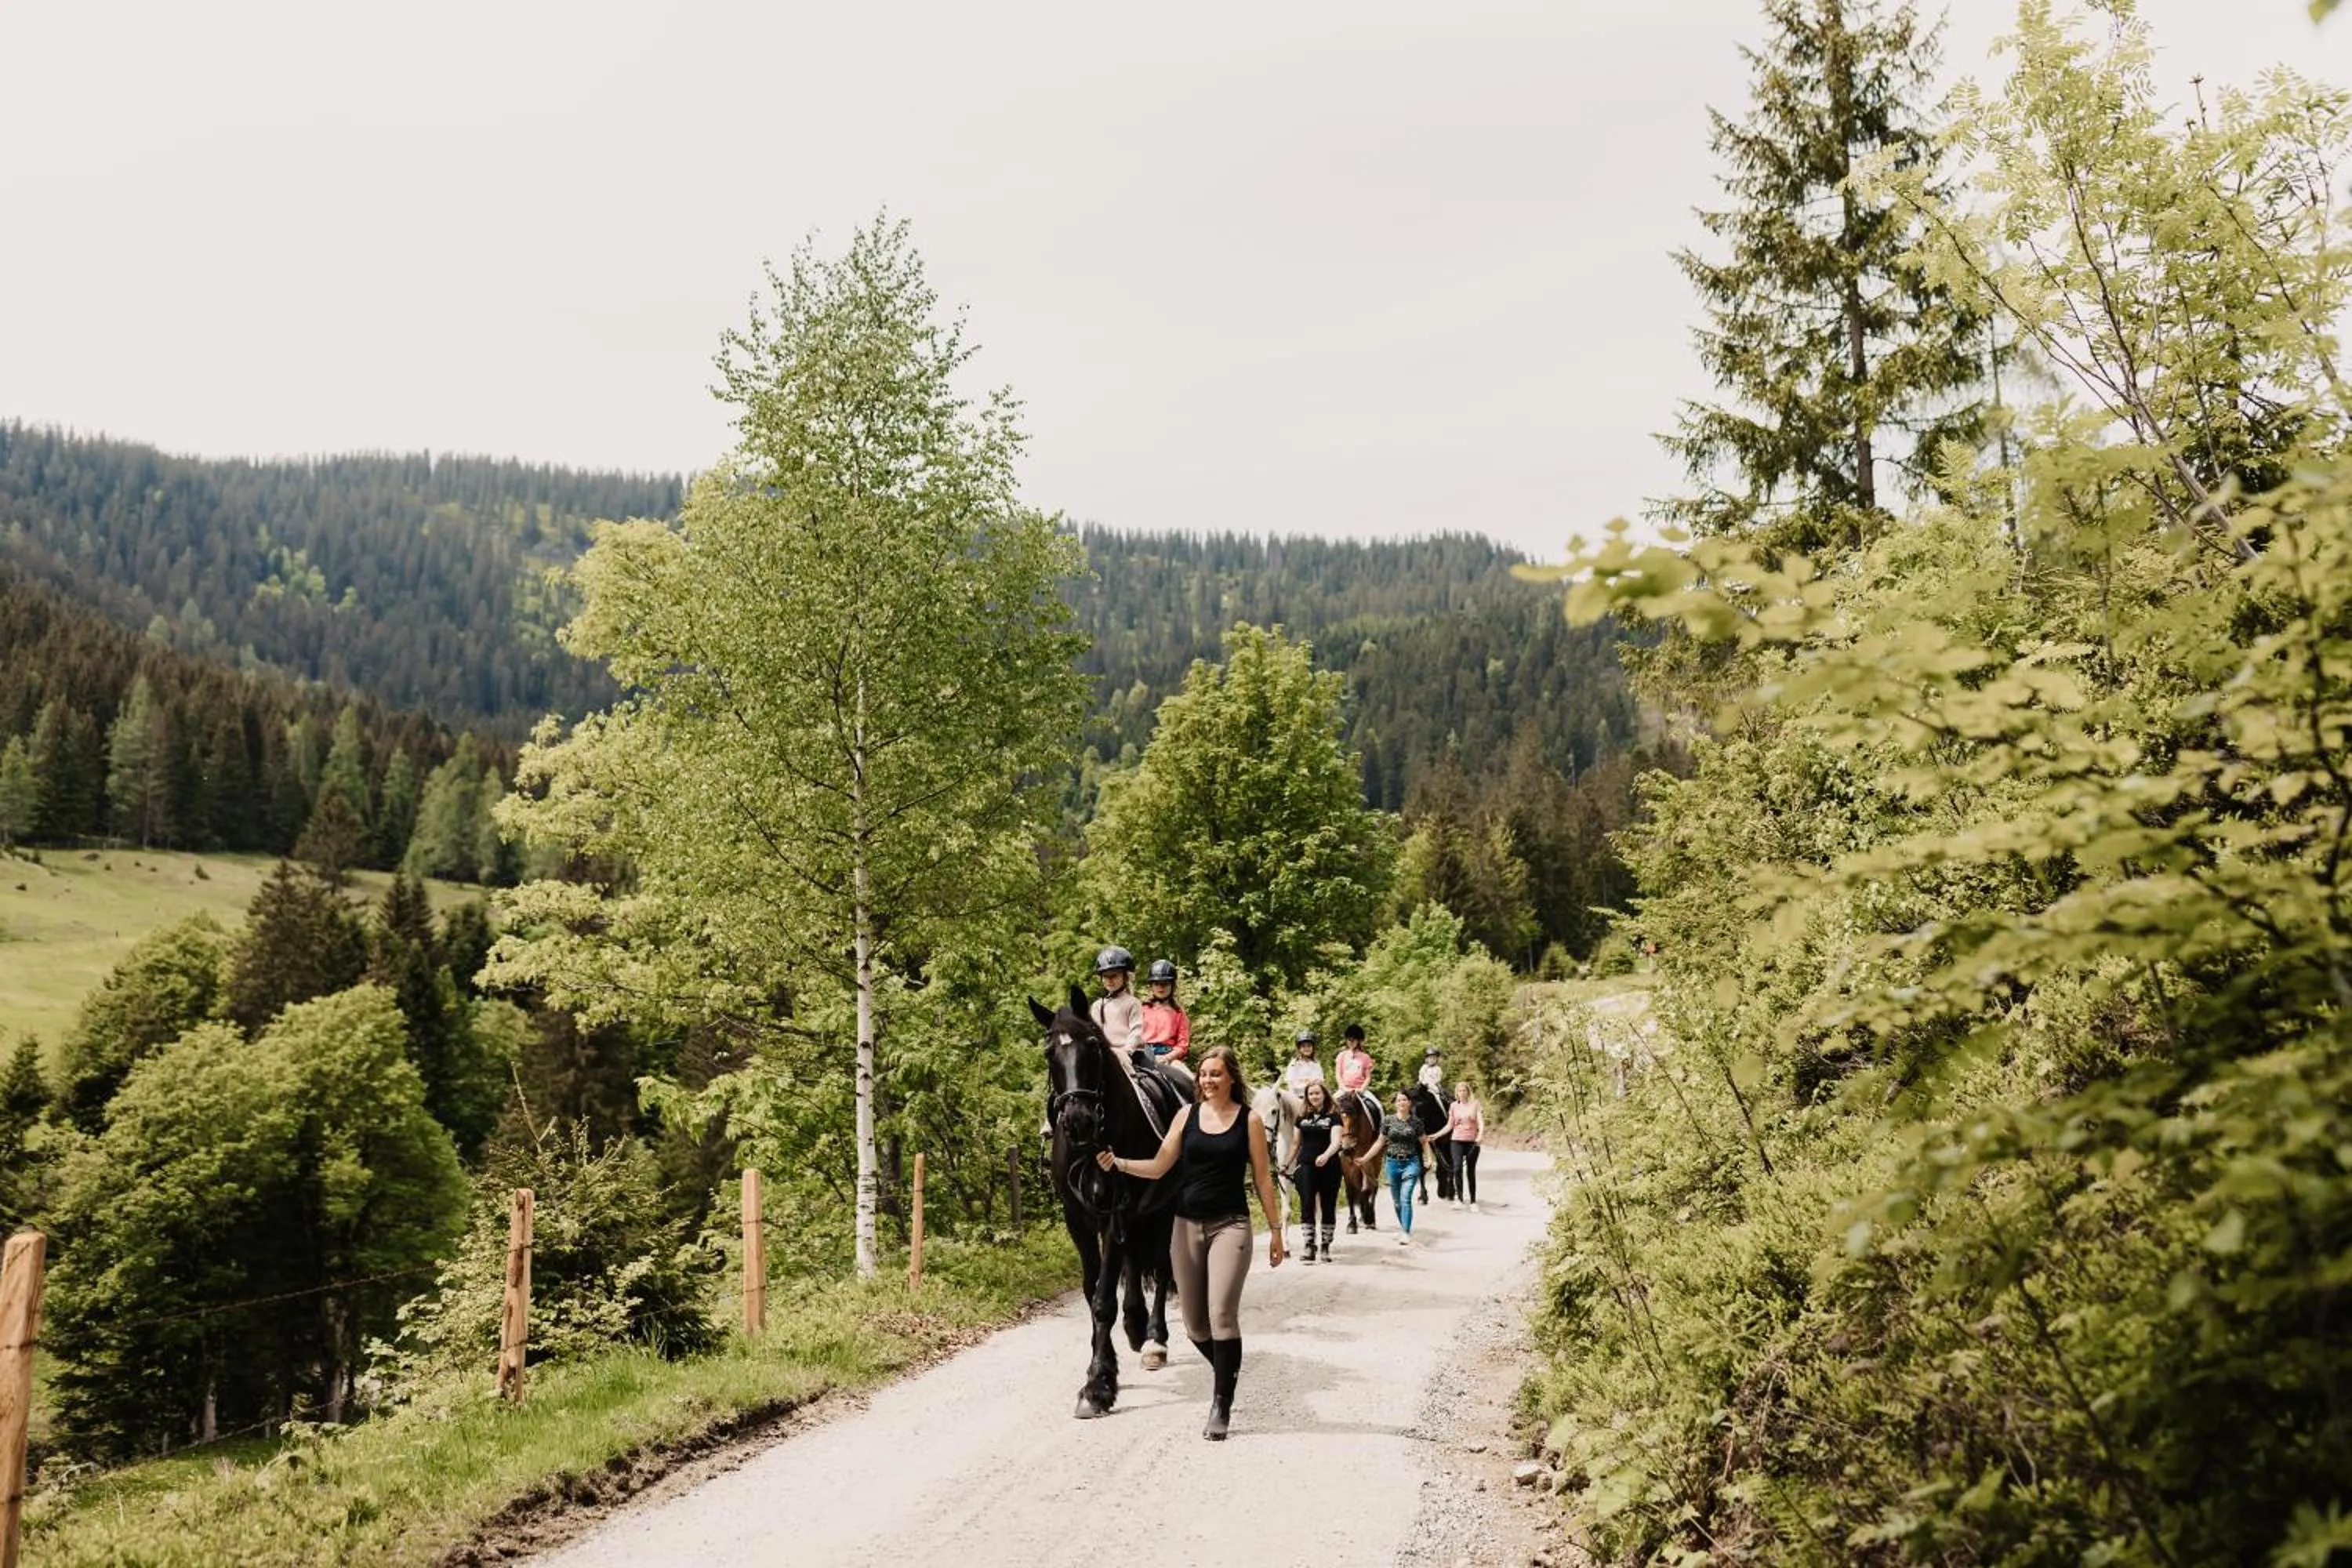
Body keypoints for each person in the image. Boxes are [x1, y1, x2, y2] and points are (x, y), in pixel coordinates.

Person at [1098, 1045, 1286, 1439]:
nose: (1207, 1080)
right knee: (1195, 1325)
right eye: (1203, 1074)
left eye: (1216, 1073)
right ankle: (1227, 1370)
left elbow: (1264, 1180)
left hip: (1230, 1226)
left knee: (1221, 1314)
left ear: (1231, 1077)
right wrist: (1120, 1163)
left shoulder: (1248, 1120)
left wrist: (1276, 1231)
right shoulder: (1186, 1116)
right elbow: (1160, 1165)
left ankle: (1221, 1404)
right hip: (1185, 1225)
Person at [1290, 1080, 1343, 1261]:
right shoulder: (1301, 1117)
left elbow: (1337, 1142)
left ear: (1324, 1095)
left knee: (1328, 1204)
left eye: (1317, 1093)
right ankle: (1309, 1245)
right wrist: (1285, 1163)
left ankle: (1326, 1246)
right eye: (1311, 1094)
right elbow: (1296, 1143)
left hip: (1329, 1166)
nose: (1314, 1097)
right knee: (1306, 1205)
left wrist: (1326, 1155)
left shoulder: (1334, 1116)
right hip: (1306, 1166)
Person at [1383, 1089, 1436, 1245]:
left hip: (1411, 1163)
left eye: (1404, 1100)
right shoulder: (1388, 1120)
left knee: (1405, 1198)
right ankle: (1403, 1228)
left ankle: (1406, 1232)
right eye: (1399, 1100)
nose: (1402, 1103)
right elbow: (1380, 1142)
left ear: (1409, 1103)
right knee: (1397, 1201)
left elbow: (1424, 1142)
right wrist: (1365, 1158)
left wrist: (1429, 1159)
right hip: (1392, 1163)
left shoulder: (1416, 1122)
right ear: (1395, 1103)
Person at [1447, 1081, 1484, 1209]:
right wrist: (1436, 1135)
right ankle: (1460, 1199)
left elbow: (1481, 1122)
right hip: (1456, 1140)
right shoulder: (1453, 1106)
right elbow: (1449, 1125)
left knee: (1470, 1171)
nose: (1462, 1093)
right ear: (1457, 1093)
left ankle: (1473, 1201)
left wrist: (1480, 1136)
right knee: (1457, 1168)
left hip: (1472, 1141)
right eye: (1460, 1091)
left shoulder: (1475, 1104)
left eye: (1464, 1090)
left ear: (1468, 1092)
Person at [1282, 1030, 1325, 1098]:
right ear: (1299, 1049)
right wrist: (1308, 1083)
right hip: (1299, 1097)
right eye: (1304, 1046)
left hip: (1314, 1096)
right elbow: (1292, 1084)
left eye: (1309, 1046)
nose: (1307, 1048)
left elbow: (1320, 1080)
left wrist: (1311, 1082)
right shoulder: (1294, 1064)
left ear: (1313, 1048)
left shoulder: (1316, 1064)